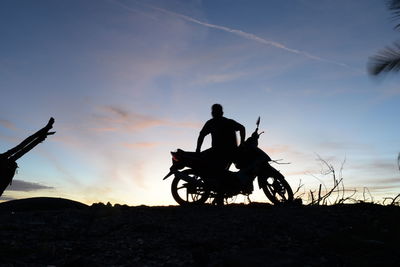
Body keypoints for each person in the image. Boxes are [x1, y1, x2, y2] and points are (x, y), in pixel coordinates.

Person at [0, 117, 55, 197]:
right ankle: (44, 132)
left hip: (5, 162)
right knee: (17, 151)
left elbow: (21, 148)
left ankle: (44, 132)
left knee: (17, 150)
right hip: (4, 163)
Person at [196, 104, 245, 170]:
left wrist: (198, 149)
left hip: (218, 151)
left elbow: (201, 135)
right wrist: (242, 143)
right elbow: (242, 128)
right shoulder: (228, 122)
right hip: (229, 151)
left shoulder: (211, 123)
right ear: (222, 113)